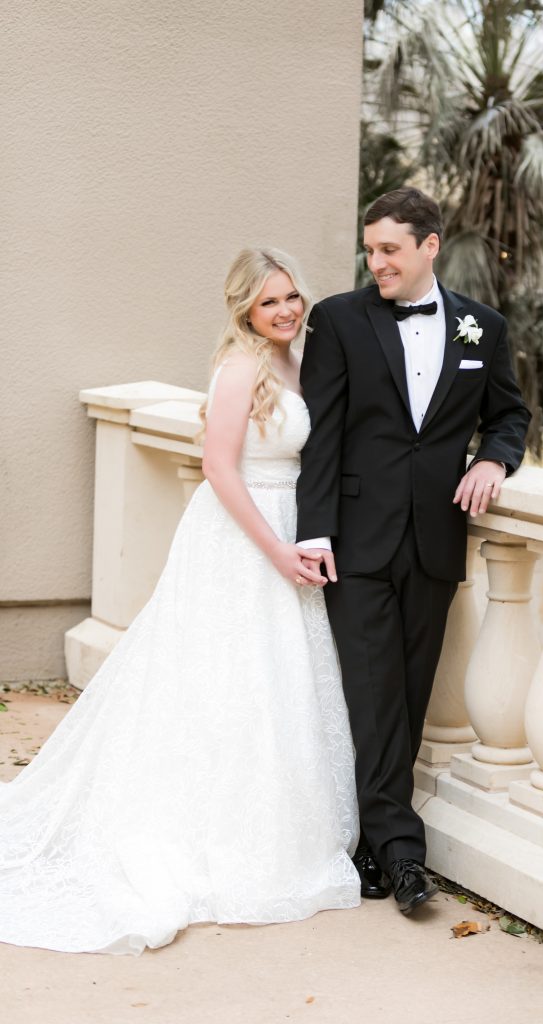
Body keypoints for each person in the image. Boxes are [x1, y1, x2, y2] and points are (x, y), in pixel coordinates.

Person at [0, 248, 360, 955]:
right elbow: (218, 467)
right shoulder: (241, 367)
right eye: (268, 302)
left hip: (291, 526)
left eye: (291, 296)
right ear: (244, 310)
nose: (285, 310)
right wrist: (275, 549)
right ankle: (202, 831)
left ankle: (271, 824)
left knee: (277, 681)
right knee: (222, 678)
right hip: (242, 537)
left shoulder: (300, 359)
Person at [296, 187, 530, 915]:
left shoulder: (483, 328)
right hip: (355, 540)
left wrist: (493, 459)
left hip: (435, 538)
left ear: (430, 246)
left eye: (389, 249)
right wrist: (314, 529)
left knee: (410, 693)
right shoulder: (338, 319)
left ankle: (370, 843)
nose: (376, 262)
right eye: (370, 250)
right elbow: (320, 433)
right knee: (373, 695)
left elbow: (509, 413)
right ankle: (402, 854)